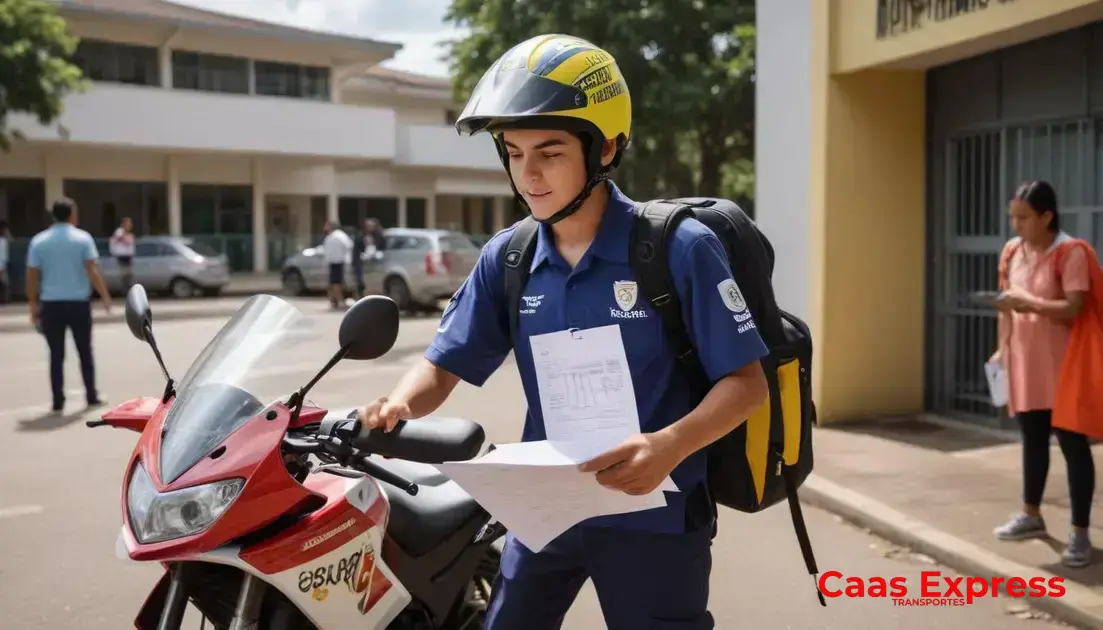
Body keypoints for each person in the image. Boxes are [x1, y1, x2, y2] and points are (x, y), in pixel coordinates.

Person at [357, 34, 769, 629]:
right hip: (547, 508)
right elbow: (445, 364)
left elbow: (746, 384)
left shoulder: (678, 249)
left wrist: (669, 446)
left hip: (652, 515)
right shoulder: (511, 257)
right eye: (514, 152)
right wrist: (398, 402)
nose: (529, 175)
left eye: (549, 152)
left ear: (603, 149)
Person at [991, 179, 1096, 567]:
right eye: (1012, 218)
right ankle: (1031, 515)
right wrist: (1002, 349)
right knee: (1032, 441)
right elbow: (1007, 306)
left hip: (1066, 366)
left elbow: (1074, 307)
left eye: (1023, 218)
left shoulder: (1070, 253)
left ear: (1047, 217)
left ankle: (1081, 534)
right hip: (1026, 363)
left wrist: (1029, 303)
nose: (1016, 225)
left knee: (1073, 447)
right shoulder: (1011, 252)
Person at [26, 198, 111, 412]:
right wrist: (104, 296)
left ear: (53, 215)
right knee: (85, 351)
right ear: (72, 214)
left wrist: (32, 306)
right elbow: (92, 270)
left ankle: (57, 400)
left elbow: (32, 276)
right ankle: (91, 395)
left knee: (55, 354)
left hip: (51, 305)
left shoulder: (39, 241)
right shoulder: (83, 239)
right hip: (79, 304)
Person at [322, 220, 353, 309]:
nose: (325, 227)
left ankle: (340, 301)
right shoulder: (331, 236)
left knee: (336, 283)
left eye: (327, 225)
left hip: (337, 262)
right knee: (332, 283)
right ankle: (333, 300)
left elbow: (348, 246)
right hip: (333, 262)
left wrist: (343, 256)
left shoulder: (338, 236)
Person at [109, 216, 136, 292]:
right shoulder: (119, 232)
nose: (130, 225)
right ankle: (126, 291)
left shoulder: (126, 233)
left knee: (129, 276)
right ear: (123, 224)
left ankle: (128, 291)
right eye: (128, 223)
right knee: (125, 277)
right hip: (122, 257)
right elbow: (126, 241)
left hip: (128, 257)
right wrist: (127, 238)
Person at [0, 219, 9, 303]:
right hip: (1, 265)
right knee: (3, 283)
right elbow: (3, 256)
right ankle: (3, 300)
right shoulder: (3, 241)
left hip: (2, 265)